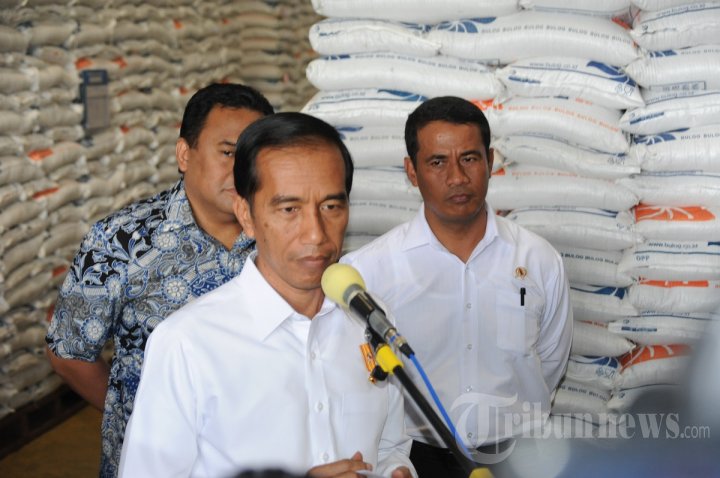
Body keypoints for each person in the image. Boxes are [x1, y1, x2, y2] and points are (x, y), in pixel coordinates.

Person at [118, 112, 416, 478]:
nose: (315, 233)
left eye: (331, 207)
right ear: (245, 214)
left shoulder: (370, 319)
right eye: (290, 209)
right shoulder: (187, 344)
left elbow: (390, 446)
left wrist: (395, 469)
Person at [45, 83, 274, 477]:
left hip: (262, 456)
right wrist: (138, 416)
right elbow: (68, 352)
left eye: (254, 155)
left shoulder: (284, 234)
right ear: (184, 154)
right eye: (228, 152)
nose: (242, 169)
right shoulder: (120, 241)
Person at [342, 96, 573, 477]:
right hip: (415, 459)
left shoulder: (538, 260)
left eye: (469, 158)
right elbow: (358, 378)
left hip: (521, 457)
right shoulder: (370, 270)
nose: (457, 177)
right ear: (412, 171)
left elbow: (549, 361)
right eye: (437, 162)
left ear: (490, 161)